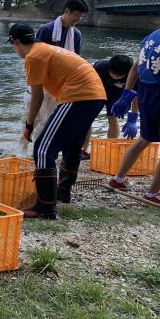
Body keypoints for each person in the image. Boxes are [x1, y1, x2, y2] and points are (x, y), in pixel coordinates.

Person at [8, 23, 106, 219]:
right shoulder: (46, 48)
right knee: (71, 146)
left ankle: (45, 207)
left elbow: (37, 97)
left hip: (79, 96)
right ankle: (62, 193)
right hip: (97, 95)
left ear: (16, 42)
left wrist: (29, 125)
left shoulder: (33, 56)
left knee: (43, 149)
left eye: (12, 45)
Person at [108, 23, 160, 208]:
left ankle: (118, 179)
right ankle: (152, 194)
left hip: (145, 91)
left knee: (145, 138)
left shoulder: (154, 35)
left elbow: (135, 67)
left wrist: (127, 94)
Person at [26, 0, 89, 157]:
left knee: (51, 120)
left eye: (81, 17)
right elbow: (36, 57)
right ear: (66, 11)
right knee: (33, 117)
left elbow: (76, 60)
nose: (78, 19)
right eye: (76, 15)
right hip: (43, 82)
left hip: (62, 86)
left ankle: (41, 153)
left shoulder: (76, 35)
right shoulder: (46, 30)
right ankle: (26, 151)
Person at [81, 55, 137, 154]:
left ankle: (111, 149)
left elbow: (136, 95)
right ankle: (84, 150)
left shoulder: (133, 74)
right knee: (88, 119)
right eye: (113, 73)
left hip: (117, 93)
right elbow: (87, 85)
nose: (115, 77)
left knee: (113, 117)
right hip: (97, 90)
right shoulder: (100, 67)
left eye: (119, 76)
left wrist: (133, 117)